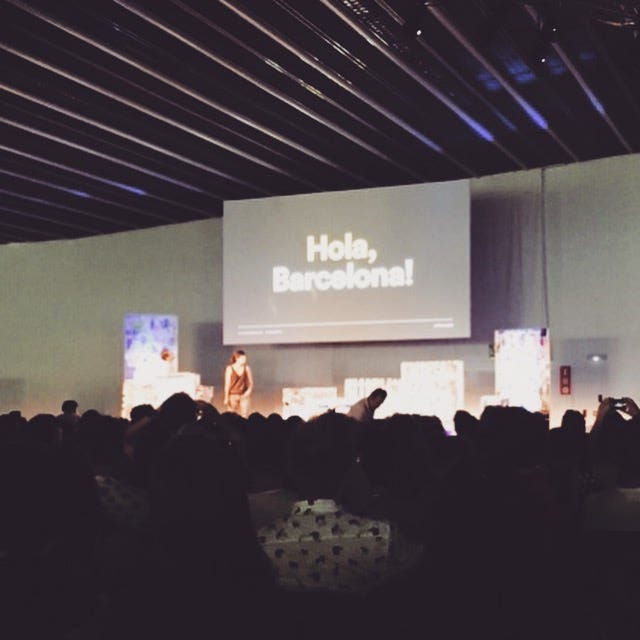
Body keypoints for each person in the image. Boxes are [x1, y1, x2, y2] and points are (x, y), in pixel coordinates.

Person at [223, 350, 253, 418]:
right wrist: (226, 397)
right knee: (230, 416)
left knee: (244, 415)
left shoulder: (247, 368)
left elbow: (251, 383)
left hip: (243, 395)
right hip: (232, 395)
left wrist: (248, 391)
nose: (245, 360)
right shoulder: (230, 368)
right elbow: (227, 384)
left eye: (245, 358)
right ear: (237, 359)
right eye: (243, 358)